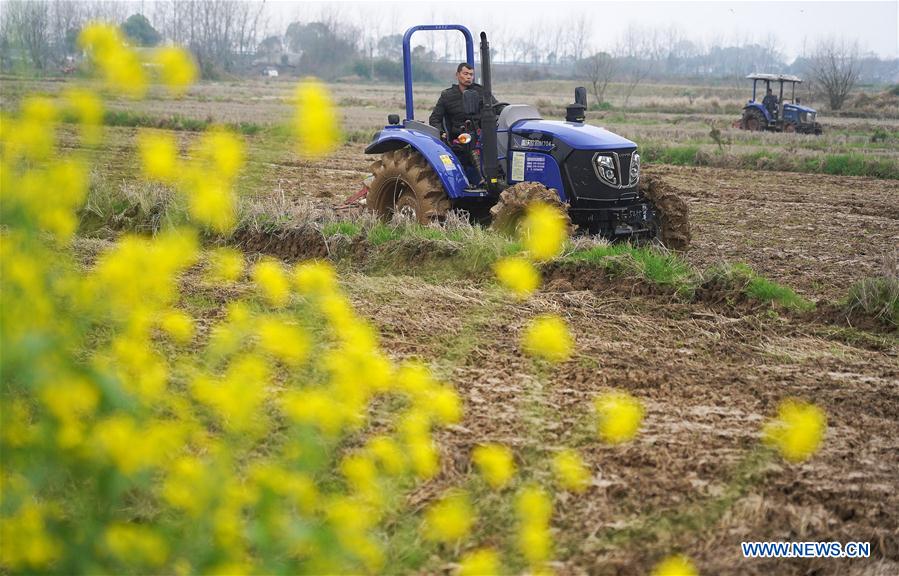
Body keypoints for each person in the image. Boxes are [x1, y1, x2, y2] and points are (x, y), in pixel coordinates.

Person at [428, 62, 503, 145]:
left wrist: (507, 109)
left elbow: (497, 107)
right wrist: (441, 133)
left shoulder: (481, 91)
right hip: (458, 138)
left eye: (471, 74)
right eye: (465, 74)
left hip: (480, 137)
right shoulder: (447, 95)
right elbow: (434, 118)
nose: (468, 77)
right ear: (457, 75)